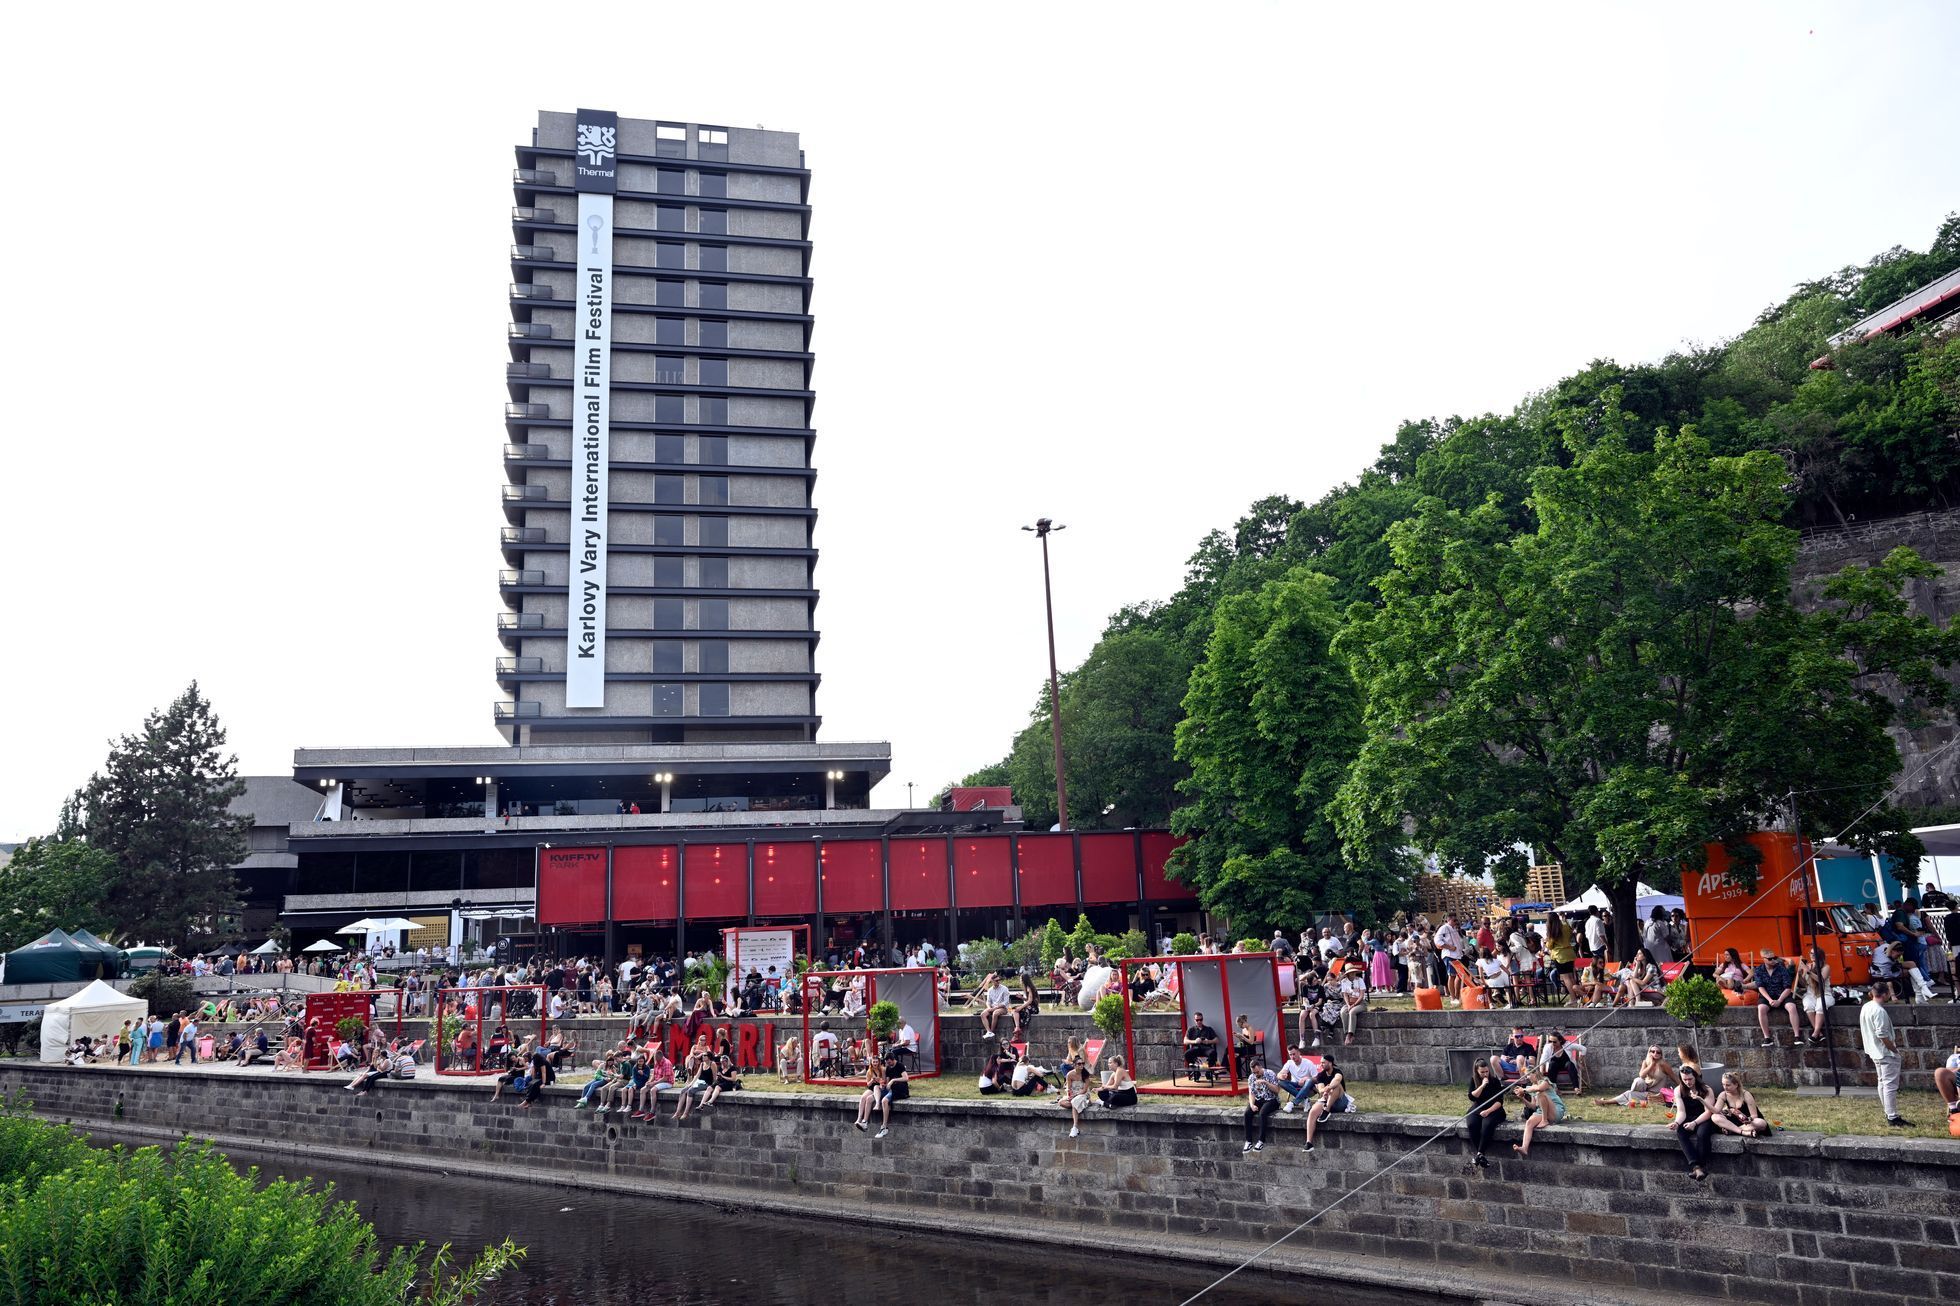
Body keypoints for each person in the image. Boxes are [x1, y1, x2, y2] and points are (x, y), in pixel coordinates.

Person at [1859, 980, 1910, 1128]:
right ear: (1885, 994)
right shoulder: (1879, 1011)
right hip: (1884, 1052)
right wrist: (1894, 1050)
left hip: (1873, 1050)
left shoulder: (1866, 1006)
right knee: (1889, 1085)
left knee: (1882, 1082)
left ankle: (1889, 1113)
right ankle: (1892, 1116)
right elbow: (1882, 1035)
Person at [1670, 1064, 1716, 1180]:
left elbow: (1708, 1112)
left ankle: (1701, 1166)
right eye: (1684, 1079)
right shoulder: (1678, 1090)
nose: (1687, 1082)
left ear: (1695, 1077)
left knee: (1702, 1133)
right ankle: (1696, 1167)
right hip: (1688, 1117)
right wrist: (1676, 1123)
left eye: (1690, 1079)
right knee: (1680, 1132)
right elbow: (1681, 1111)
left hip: (1704, 1118)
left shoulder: (1706, 1089)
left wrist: (1694, 1123)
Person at [1597, 1044, 1678, 1108]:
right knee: (1638, 1080)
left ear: (1661, 1054)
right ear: (1649, 1052)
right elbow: (1641, 1075)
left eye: (1658, 1052)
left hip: (1655, 1094)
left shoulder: (1664, 1065)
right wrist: (1651, 1064)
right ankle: (1634, 1098)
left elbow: (1673, 1076)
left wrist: (1683, 1087)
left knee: (1629, 1093)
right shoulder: (1645, 1062)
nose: (1655, 1053)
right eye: (1653, 1051)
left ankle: (1605, 1102)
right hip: (1644, 1089)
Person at [1509, 1069, 1566, 1158]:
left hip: (1555, 1110)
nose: (1527, 1077)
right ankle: (1524, 1148)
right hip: (1542, 1111)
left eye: (1528, 1075)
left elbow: (1539, 1089)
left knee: (1540, 1094)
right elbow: (1533, 1106)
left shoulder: (1545, 1081)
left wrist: (1524, 1090)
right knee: (1529, 1122)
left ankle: (1544, 1120)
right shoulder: (1532, 1088)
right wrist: (1522, 1098)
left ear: (1535, 1073)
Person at [1465, 1056, 1508, 1171]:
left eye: (1487, 1071)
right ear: (1477, 1072)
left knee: (1487, 1125)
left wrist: (1488, 1111)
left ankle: (1480, 1153)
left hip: (1494, 1109)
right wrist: (1482, 1085)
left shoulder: (1495, 1081)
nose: (1485, 1074)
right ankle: (1480, 1155)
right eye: (1482, 1072)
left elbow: (1499, 1101)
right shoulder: (1474, 1080)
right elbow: (1472, 1097)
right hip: (1478, 1107)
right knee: (1472, 1124)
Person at [1300, 1058, 1352, 1151]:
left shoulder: (1337, 1072)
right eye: (1321, 1063)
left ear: (1330, 1063)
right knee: (1312, 1112)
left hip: (1340, 1102)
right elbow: (1320, 1089)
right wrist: (1325, 1091)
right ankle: (1309, 1143)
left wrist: (1328, 1088)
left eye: (1323, 1063)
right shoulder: (1321, 1075)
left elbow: (1337, 1080)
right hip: (1326, 1099)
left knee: (1336, 1085)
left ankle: (1326, 1110)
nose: (1321, 1065)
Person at [1752, 951, 1800, 1047]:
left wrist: (1779, 1000)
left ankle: (1797, 1036)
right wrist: (1770, 1000)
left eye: (1774, 958)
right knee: (1761, 1008)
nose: (1773, 960)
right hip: (1767, 995)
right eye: (1770, 959)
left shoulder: (1781, 969)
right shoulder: (1758, 970)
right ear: (1763, 959)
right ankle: (1767, 1038)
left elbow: (1788, 988)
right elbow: (1760, 987)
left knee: (1792, 1007)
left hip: (1782, 994)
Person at [1711, 1072, 1771, 1139]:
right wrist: (1704, 1102)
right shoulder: (1723, 1095)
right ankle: (1743, 1132)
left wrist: (1749, 1119)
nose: (1725, 1087)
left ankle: (1732, 1130)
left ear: (1736, 1085)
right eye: (1723, 1084)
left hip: (1747, 1123)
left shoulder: (1746, 1094)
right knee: (1714, 1116)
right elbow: (1716, 1111)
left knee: (1761, 1123)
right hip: (1734, 1121)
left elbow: (1754, 1115)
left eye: (1728, 1085)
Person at [1794, 947, 1832, 1046]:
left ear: (1820, 955)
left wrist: (1808, 971)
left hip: (1824, 993)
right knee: (1808, 1005)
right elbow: (1803, 984)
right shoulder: (1808, 966)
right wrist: (1799, 974)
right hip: (1810, 993)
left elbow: (1821, 980)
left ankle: (1815, 1034)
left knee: (1820, 1005)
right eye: (1811, 953)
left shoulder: (1826, 967)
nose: (1812, 955)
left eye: (1814, 953)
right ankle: (1819, 1033)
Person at [1241, 1058, 1280, 1153]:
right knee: (1247, 1113)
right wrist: (1252, 1105)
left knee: (1262, 1113)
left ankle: (1261, 1140)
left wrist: (1265, 1082)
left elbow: (1277, 1090)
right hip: (1259, 1099)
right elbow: (1251, 1093)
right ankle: (1248, 1141)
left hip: (1271, 1099)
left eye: (1257, 1072)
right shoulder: (1251, 1077)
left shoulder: (1270, 1074)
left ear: (1260, 1067)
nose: (1256, 1074)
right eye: (1254, 1072)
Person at [1183, 1012, 1220, 1083]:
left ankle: (1208, 1071)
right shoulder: (1191, 1029)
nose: (1199, 1021)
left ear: (1203, 1019)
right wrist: (1195, 1041)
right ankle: (1196, 1069)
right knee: (1187, 1054)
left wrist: (1208, 1041)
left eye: (1201, 1019)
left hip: (1206, 1048)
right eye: (1197, 1020)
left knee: (1213, 1053)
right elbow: (1185, 1041)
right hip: (1196, 1048)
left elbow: (1217, 1040)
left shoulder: (1208, 1029)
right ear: (1194, 1020)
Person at [979, 974, 1014, 1040]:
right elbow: (988, 1001)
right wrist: (989, 1008)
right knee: (983, 1014)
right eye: (996, 980)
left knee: (995, 1013)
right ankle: (989, 1032)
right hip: (992, 1007)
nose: (998, 982)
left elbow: (1005, 1002)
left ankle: (991, 1031)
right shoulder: (990, 990)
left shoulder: (1004, 989)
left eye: (999, 980)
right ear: (992, 981)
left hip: (1003, 1008)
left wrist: (995, 1008)